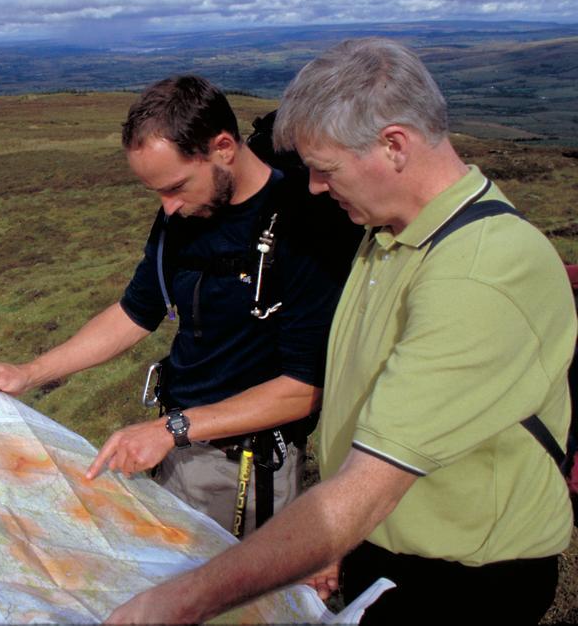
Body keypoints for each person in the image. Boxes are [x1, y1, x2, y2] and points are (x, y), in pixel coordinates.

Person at [105, 37, 575, 625]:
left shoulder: (479, 273)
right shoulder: (389, 237)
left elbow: (370, 484)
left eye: (325, 170)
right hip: (385, 547)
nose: (315, 189)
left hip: (463, 580)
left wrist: (181, 600)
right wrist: (342, 545)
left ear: (394, 145)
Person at [0, 75, 360, 535]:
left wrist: (172, 429)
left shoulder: (307, 226)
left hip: (249, 470)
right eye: (157, 193)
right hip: (176, 446)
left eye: (175, 186)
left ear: (223, 147)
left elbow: (302, 389)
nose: (168, 208)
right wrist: (28, 373)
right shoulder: (187, 213)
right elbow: (134, 313)